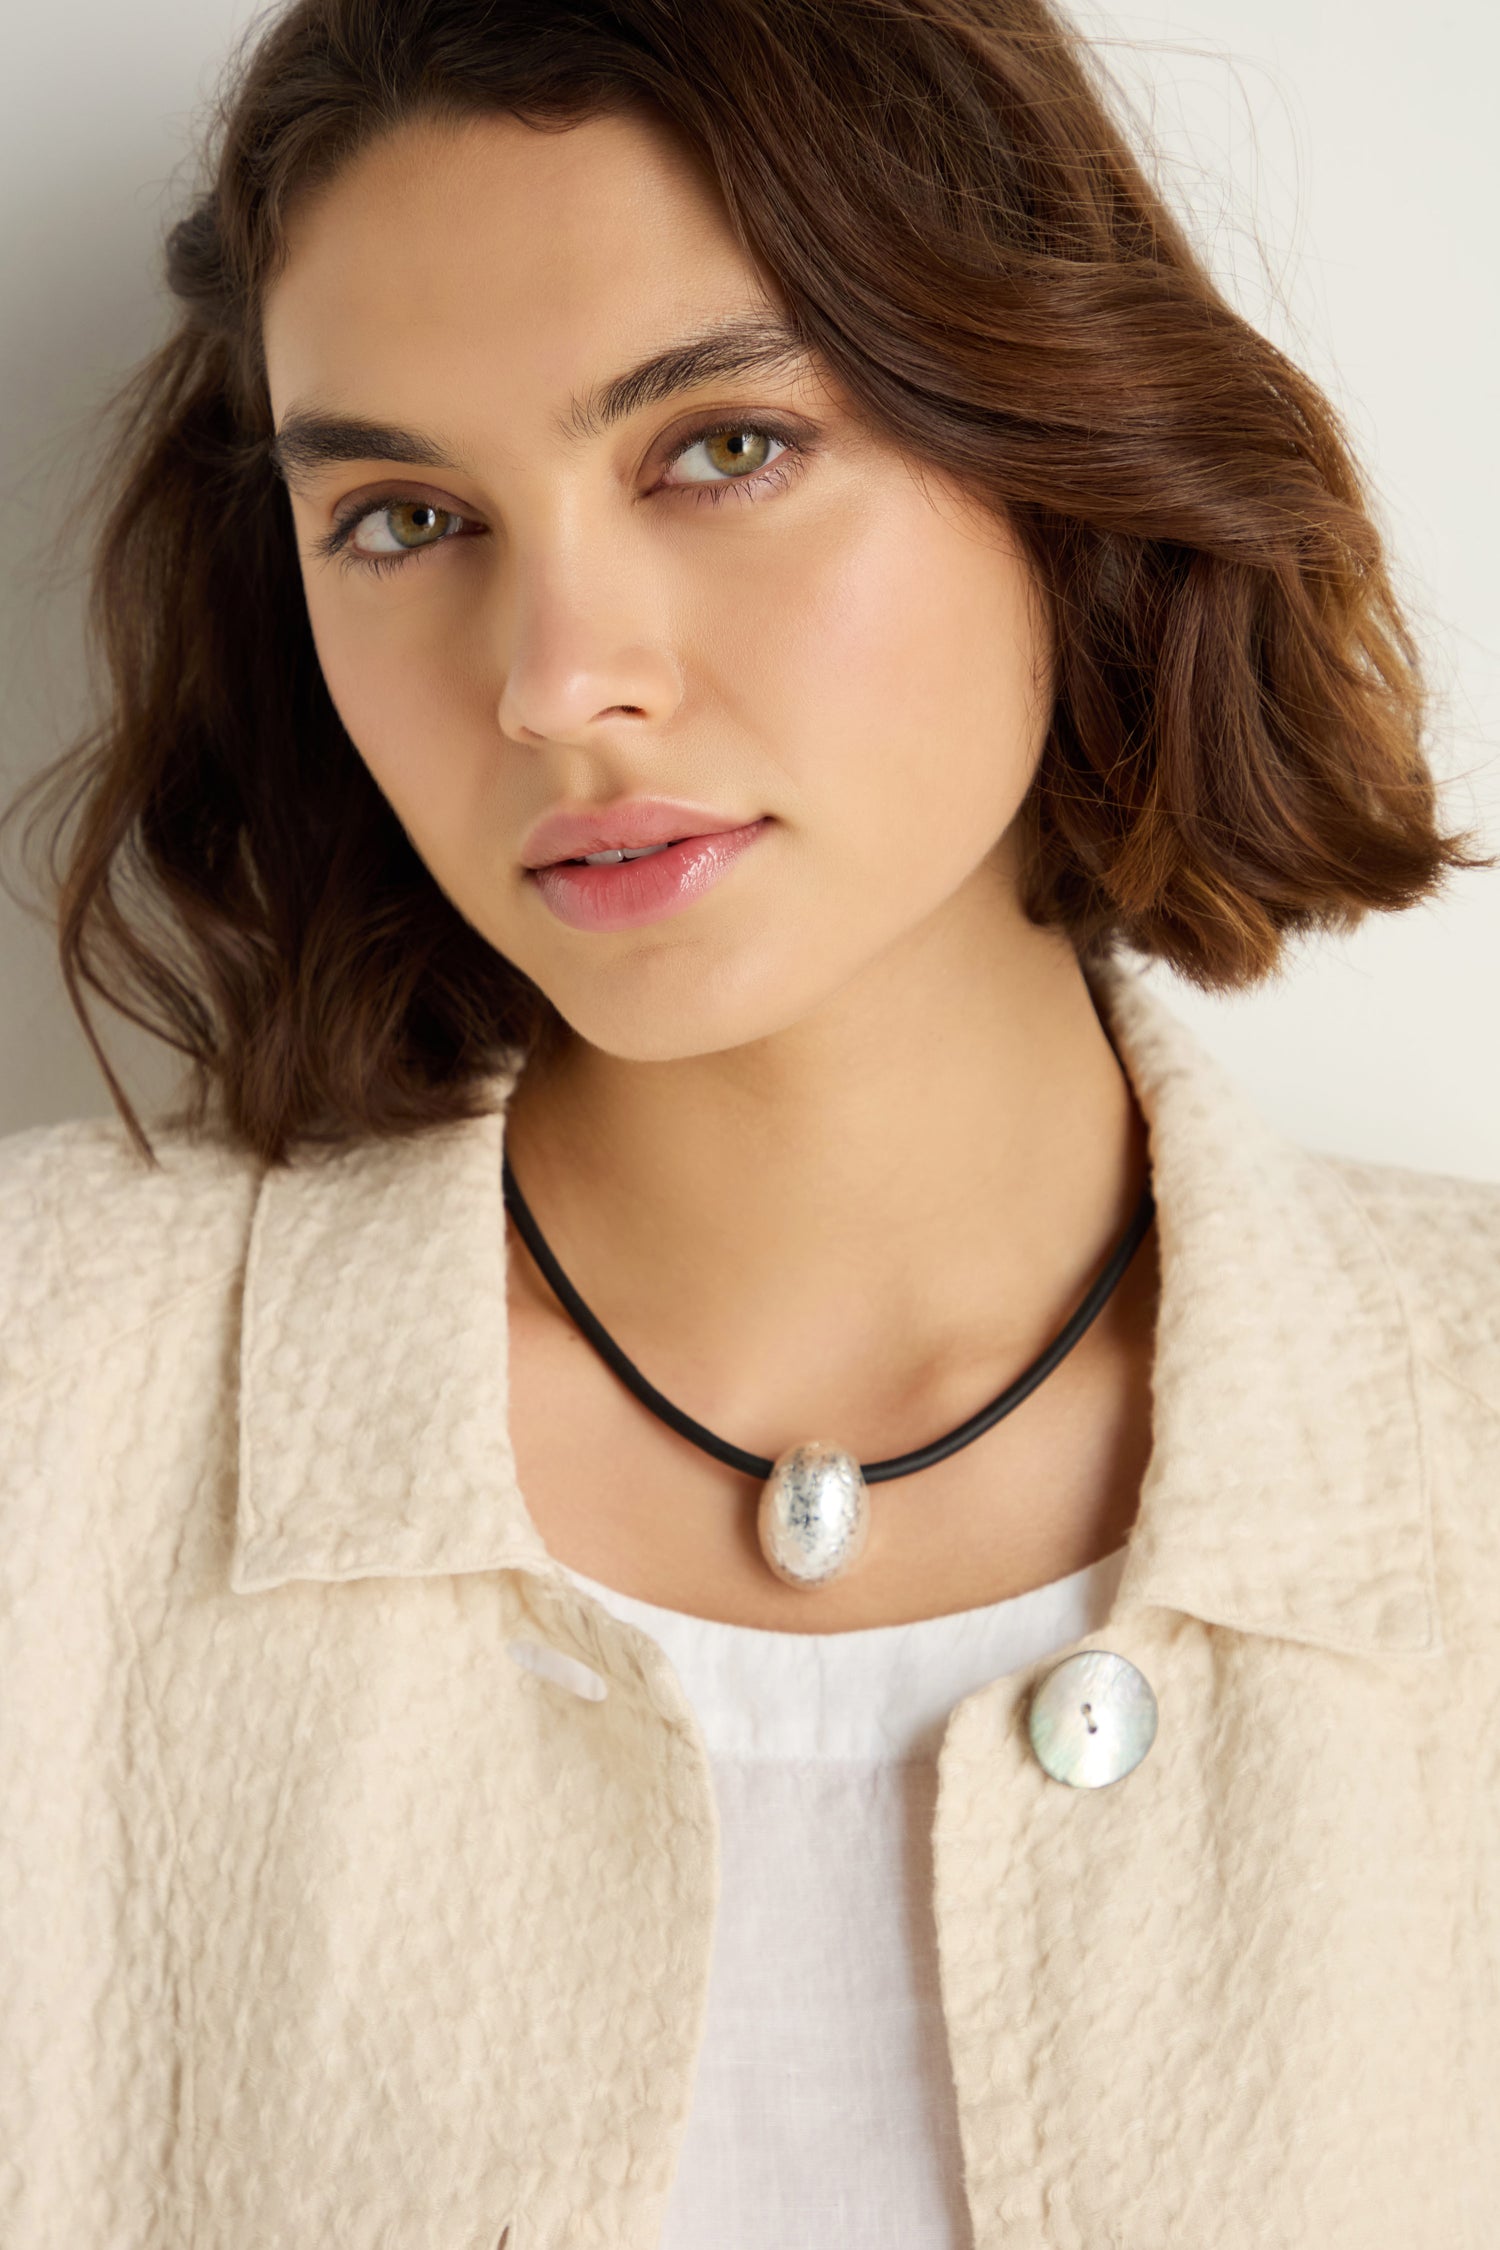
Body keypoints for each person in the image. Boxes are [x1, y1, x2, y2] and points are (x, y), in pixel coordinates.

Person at [0, 0, 1495, 2243]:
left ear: (1052, 441)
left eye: (719, 449)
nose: (553, 678)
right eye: (403, 516)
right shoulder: (49, 1405)